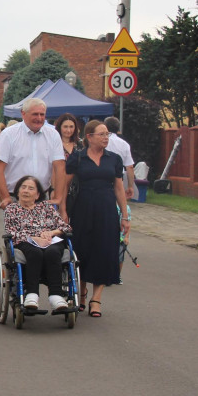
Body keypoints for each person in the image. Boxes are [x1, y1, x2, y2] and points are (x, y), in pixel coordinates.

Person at [65, 120, 130, 318]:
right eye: (101, 134)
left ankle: (96, 299)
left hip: (106, 210)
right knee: (82, 250)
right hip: (82, 210)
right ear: (89, 137)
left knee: (104, 251)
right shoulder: (77, 158)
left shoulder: (114, 159)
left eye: (107, 134)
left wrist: (125, 216)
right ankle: (82, 293)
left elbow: (119, 187)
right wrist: (63, 212)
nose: (106, 138)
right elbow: (65, 186)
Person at [3, 176, 73, 312]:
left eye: (30, 188)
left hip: (50, 241)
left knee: (52, 252)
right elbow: (11, 232)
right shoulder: (11, 209)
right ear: (17, 192)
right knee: (34, 252)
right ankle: (31, 295)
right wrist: (34, 238)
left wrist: (52, 233)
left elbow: (66, 227)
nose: (26, 191)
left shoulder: (46, 207)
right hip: (25, 242)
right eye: (23, 187)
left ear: (38, 194)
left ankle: (56, 296)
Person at [0, 98, 65, 208]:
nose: (39, 118)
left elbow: (60, 167)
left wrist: (58, 197)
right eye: (35, 114)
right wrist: (5, 197)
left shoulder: (53, 135)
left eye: (42, 114)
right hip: (15, 198)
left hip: (41, 198)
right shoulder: (8, 135)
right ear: (23, 113)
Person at [54, 113, 83, 216]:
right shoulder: (54, 144)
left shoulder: (80, 144)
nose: (68, 130)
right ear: (60, 127)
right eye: (65, 127)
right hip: (58, 185)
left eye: (71, 127)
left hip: (77, 187)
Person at [104, 116, 136, 200]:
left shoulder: (101, 140)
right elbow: (130, 167)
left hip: (102, 175)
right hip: (118, 178)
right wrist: (130, 186)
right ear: (118, 128)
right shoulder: (124, 144)